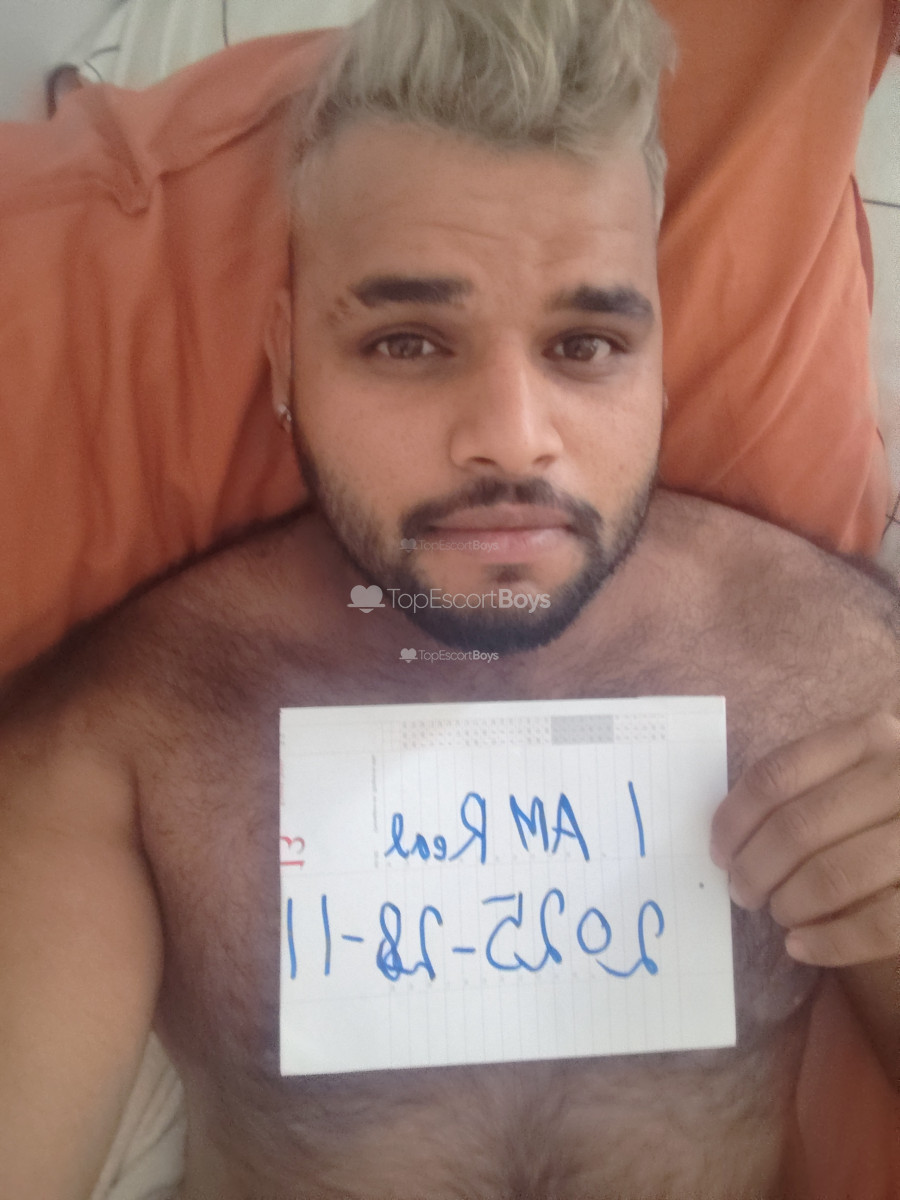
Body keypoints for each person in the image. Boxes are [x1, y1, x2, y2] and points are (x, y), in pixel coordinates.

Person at [0, 1, 897, 1197]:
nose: (513, 440)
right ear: (287, 356)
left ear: (660, 363)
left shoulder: (837, 678)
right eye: (409, 342)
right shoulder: (134, 743)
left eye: (586, 344)